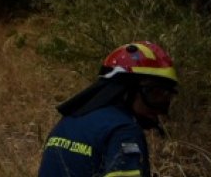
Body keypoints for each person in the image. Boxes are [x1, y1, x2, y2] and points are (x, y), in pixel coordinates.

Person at [37, 41, 179, 177]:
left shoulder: (67, 122)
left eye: (166, 97)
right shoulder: (124, 131)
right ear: (126, 90)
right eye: (154, 93)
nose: (160, 107)